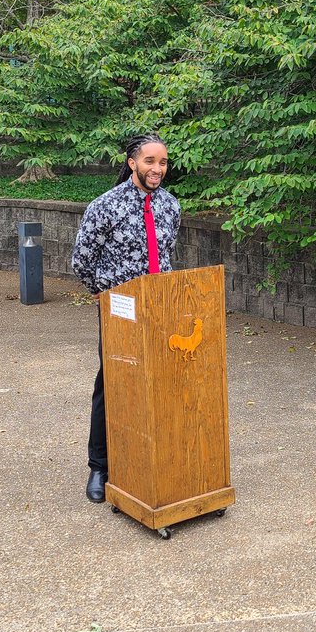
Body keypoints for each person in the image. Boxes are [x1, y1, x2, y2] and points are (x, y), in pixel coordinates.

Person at [71, 134, 181, 502]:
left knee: (159, 381)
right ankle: (100, 466)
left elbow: (167, 255)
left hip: (160, 308)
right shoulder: (106, 206)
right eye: (150, 161)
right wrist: (105, 295)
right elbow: (82, 261)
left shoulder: (170, 206)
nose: (157, 169)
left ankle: (151, 457)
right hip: (121, 310)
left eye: (163, 162)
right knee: (113, 382)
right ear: (132, 162)